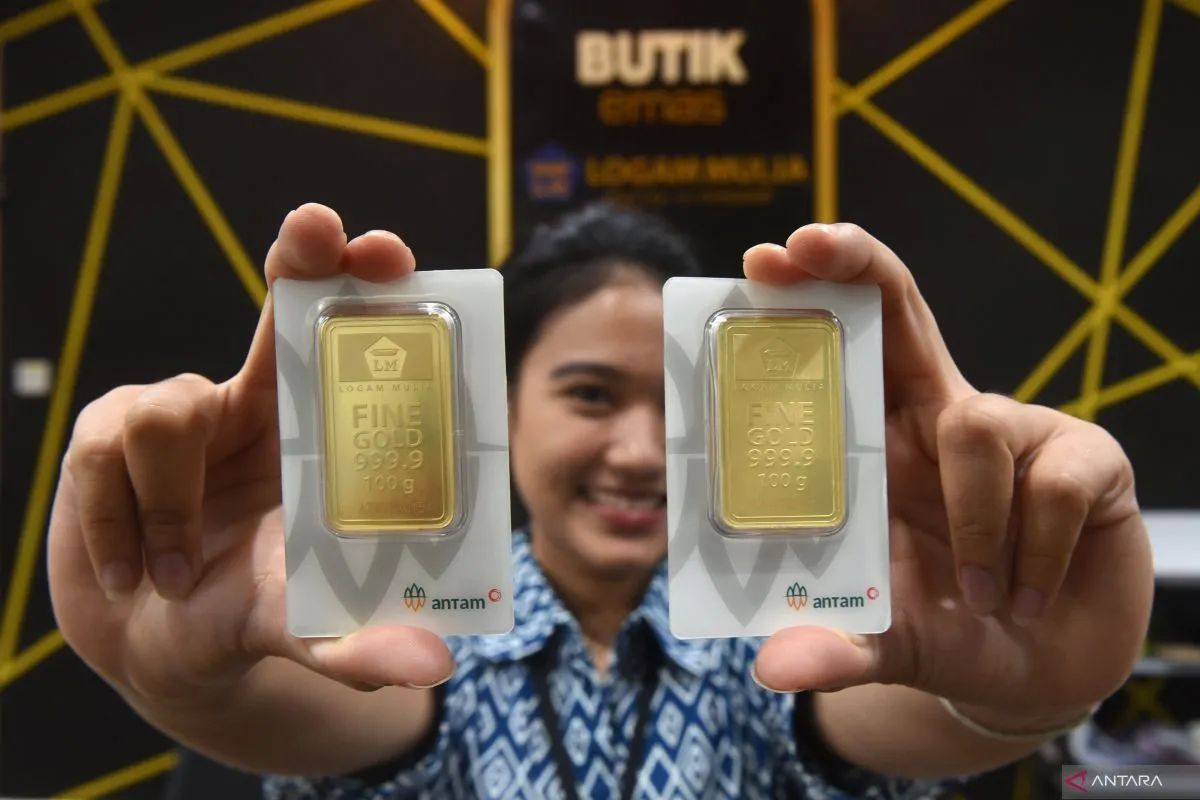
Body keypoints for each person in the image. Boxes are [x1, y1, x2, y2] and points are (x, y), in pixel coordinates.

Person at [48, 202, 1153, 799]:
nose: (639, 449)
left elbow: (872, 718)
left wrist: (1018, 700)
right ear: (499, 406)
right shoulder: (401, 620)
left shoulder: (797, 625)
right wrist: (184, 685)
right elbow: (347, 718)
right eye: (588, 393)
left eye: (679, 403)